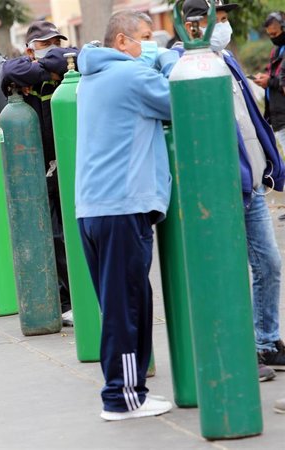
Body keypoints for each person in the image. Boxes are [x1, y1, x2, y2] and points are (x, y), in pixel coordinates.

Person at [76, 10, 178, 421]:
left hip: (94, 209)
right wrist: (171, 58)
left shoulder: (92, 78)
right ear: (121, 42)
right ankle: (122, 396)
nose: (148, 44)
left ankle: (125, 391)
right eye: (145, 37)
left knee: (123, 303)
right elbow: (182, 98)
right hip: (123, 207)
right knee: (129, 305)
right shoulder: (132, 77)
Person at [181, 0, 285, 382]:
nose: (224, 26)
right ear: (193, 26)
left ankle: (266, 340)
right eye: (219, 20)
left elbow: (250, 119)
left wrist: (271, 163)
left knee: (269, 265)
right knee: (228, 272)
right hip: (221, 186)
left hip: (252, 183)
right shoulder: (185, 64)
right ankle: (241, 350)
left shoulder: (225, 58)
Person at [0, 20, 77, 327]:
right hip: (39, 171)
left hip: (70, 162)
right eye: (46, 43)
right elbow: (10, 72)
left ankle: (79, 295)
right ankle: (65, 301)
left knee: (74, 231)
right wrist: (48, 67)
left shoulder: (68, 66)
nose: (55, 48)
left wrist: (50, 63)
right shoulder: (26, 68)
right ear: (31, 49)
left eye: (57, 41)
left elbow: (74, 57)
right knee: (54, 236)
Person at [254, 11, 285, 150]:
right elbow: (274, 75)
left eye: (275, 34)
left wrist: (270, 82)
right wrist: (264, 78)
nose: (273, 38)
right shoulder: (276, 50)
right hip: (278, 116)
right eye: (270, 35)